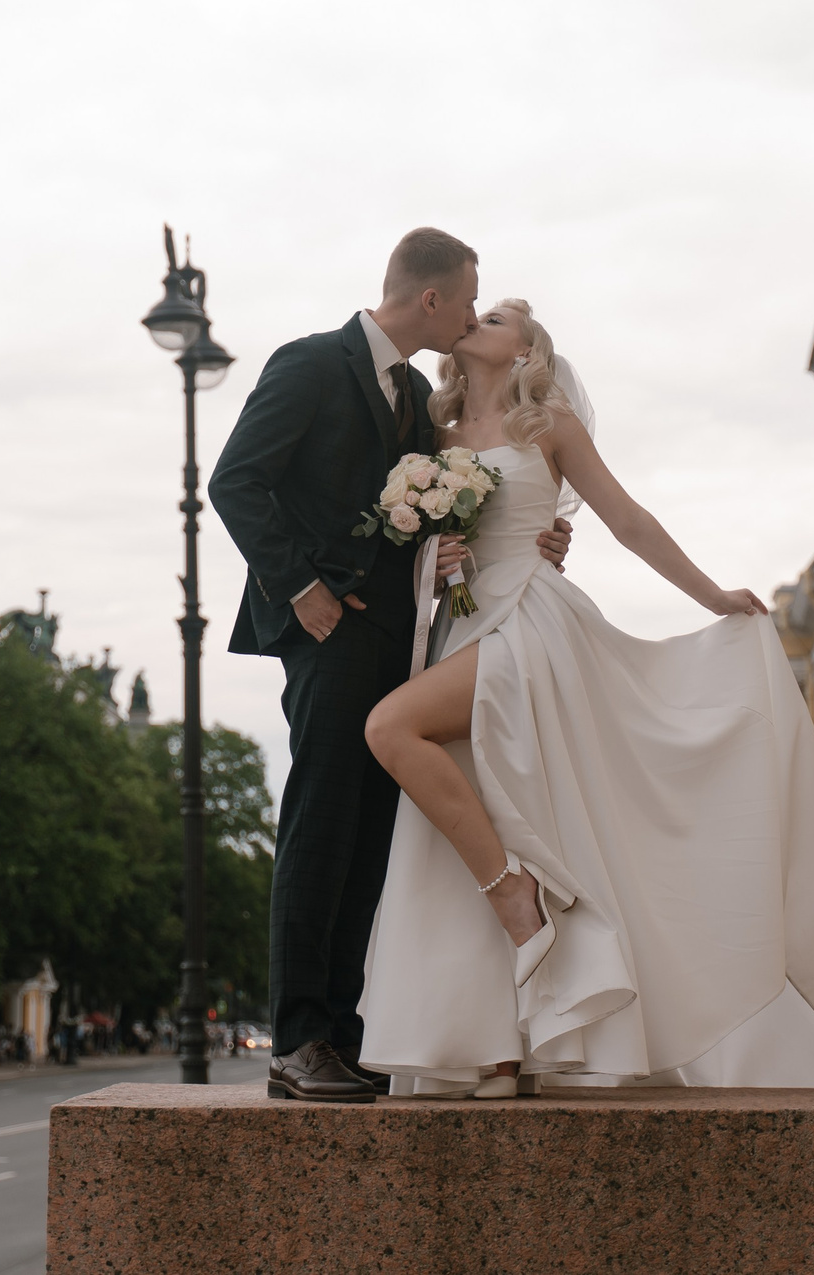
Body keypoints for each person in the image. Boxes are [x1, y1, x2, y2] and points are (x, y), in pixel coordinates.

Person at [357, 300, 814, 1096]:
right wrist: (435, 558)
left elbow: (626, 518)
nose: (479, 319)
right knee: (474, 811)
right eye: (477, 310)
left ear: (526, 348)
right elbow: (419, 551)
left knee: (392, 726)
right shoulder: (437, 438)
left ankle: (517, 896)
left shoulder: (545, 424)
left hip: (531, 627)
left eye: (500, 316)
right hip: (464, 631)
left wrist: (712, 595)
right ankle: (504, 1045)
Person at [209, 229, 570, 1103]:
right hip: (326, 633)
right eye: (470, 296)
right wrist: (302, 590)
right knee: (319, 823)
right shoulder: (307, 364)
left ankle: (343, 1030)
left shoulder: (412, 393)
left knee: (370, 834)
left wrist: (520, 537)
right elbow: (235, 482)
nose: (474, 313)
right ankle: (296, 1040)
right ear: (433, 301)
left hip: (405, 640)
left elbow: (440, 500)